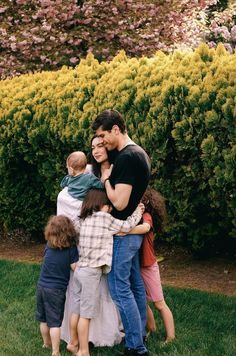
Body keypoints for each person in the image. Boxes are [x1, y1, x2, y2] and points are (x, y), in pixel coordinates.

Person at [92, 109, 151, 356]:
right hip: (133, 233)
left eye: (103, 135)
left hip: (123, 236)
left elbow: (119, 203)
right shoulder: (139, 152)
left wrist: (106, 179)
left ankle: (136, 347)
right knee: (136, 285)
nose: (102, 141)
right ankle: (141, 333)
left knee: (119, 288)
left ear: (116, 129)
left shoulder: (127, 157)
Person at [61, 140, 124, 349]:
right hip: (93, 263)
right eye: (93, 147)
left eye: (100, 146)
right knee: (86, 308)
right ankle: (83, 347)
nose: (96, 150)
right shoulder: (92, 177)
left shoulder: (74, 181)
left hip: (82, 262)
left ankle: (74, 341)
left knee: (78, 305)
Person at [70, 189, 144, 356]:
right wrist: (138, 211)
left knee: (76, 309)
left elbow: (73, 235)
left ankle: (73, 342)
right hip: (91, 273)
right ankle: (83, 350)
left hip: (80, 271)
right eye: (108, 206)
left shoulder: (82, 220)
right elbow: (126, 226)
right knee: (86, 315)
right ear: (101, 205)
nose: (111, 209)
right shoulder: (104, 218)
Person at [129, 187, 175, 343]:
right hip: (137, 265)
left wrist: (125, 230)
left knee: (159, 303)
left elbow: (145, 228)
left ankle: (171, 336)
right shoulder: (133, 217)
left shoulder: (146, 217)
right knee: (141, 300)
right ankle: (152, 328)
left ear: (145, 203)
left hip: (148, 266)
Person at [35, 215, 79, 356]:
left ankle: (45, 343)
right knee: (55, 322)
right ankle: (55, 351)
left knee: (43, 319)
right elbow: (74, 267)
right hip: (56, 290)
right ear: (69, 231)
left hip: (41, 286)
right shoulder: (70, 249)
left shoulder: (48, 245)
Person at [57, 151, 103, 221]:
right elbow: (100, 185)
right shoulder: (89, 178)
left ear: (71, 170)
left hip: (72, 199)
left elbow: (62, 184)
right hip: (81, 201)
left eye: (67, 168)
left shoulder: (68, 178)